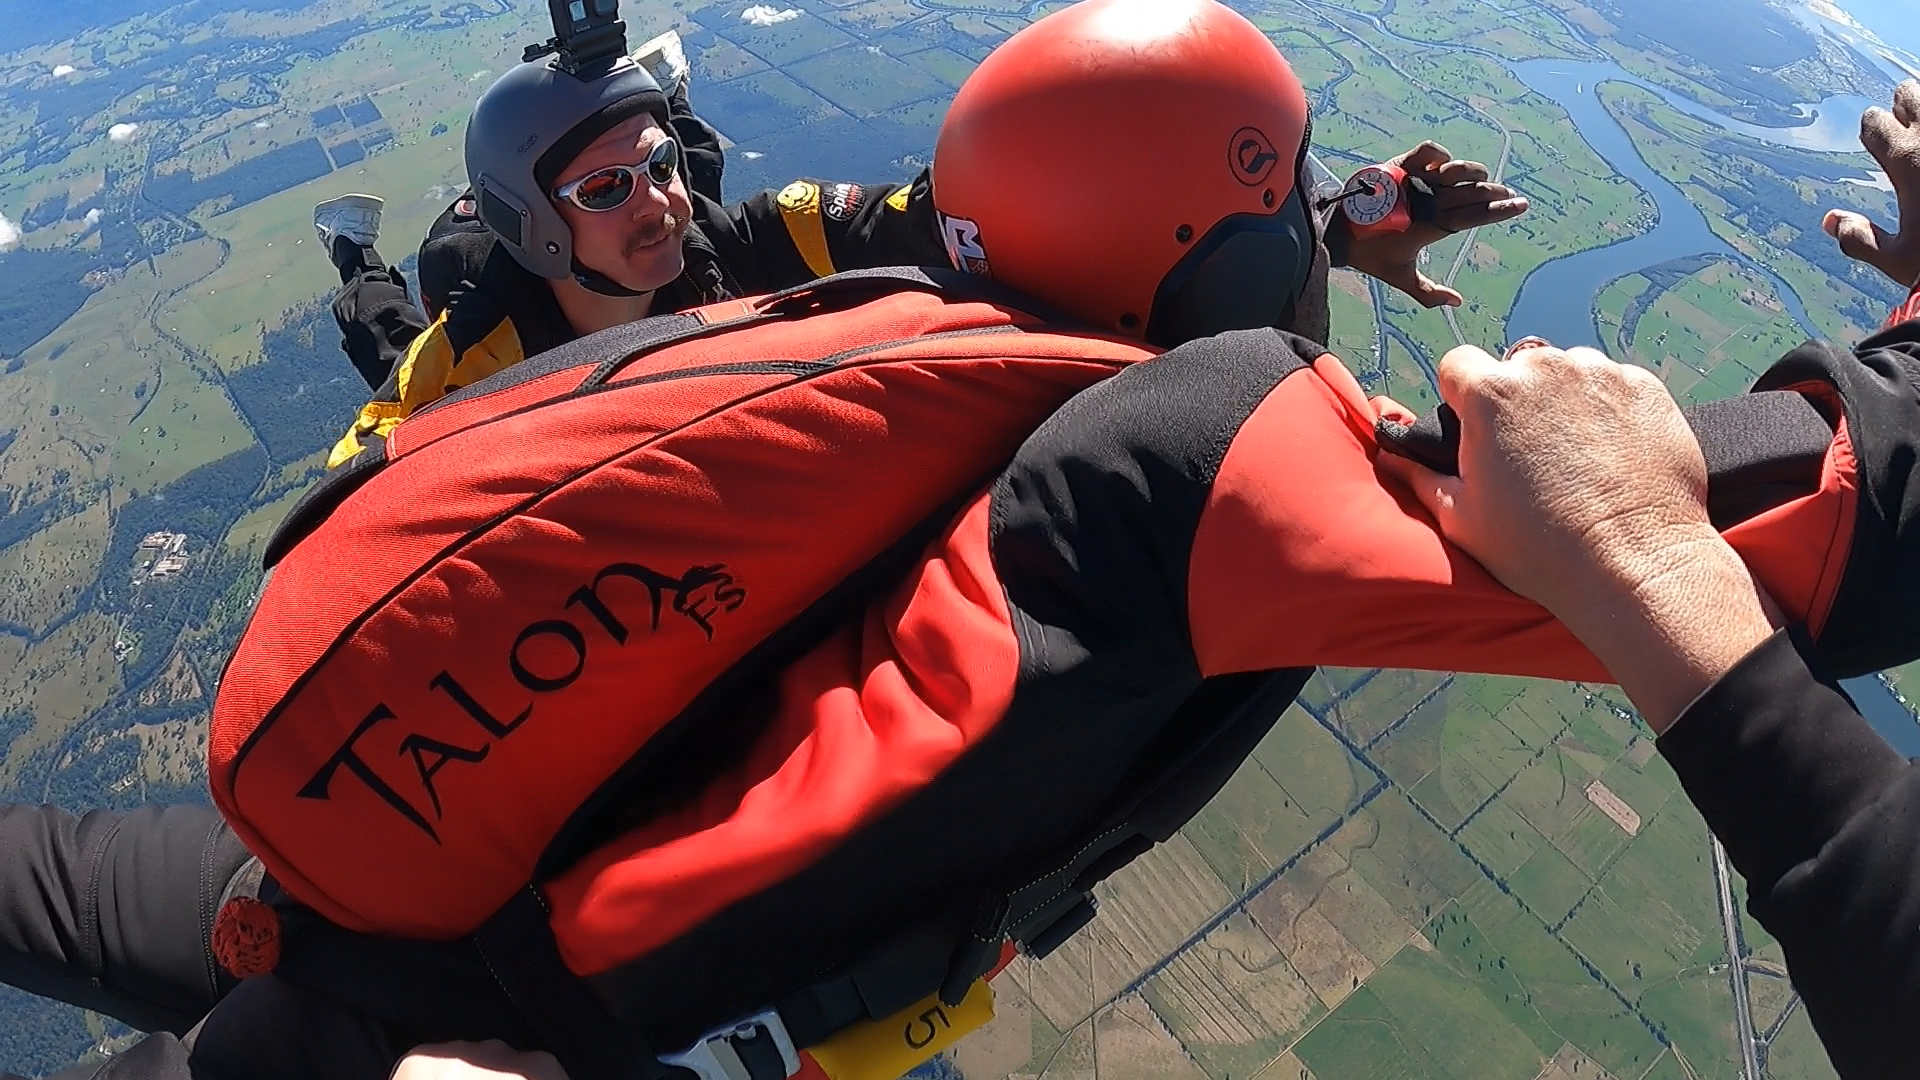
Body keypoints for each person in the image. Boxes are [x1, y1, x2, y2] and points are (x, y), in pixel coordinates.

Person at [208, 6, 1920, 1076]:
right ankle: (369, 279)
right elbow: (372, 542)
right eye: (604, 192)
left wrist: (1337, 218)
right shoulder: (469, 383)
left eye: (662, 164)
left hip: (746, 897)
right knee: (394, 342)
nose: (660, 204)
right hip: (611, 874)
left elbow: (1034, 254)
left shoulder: (771, 240)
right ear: (526, 231)